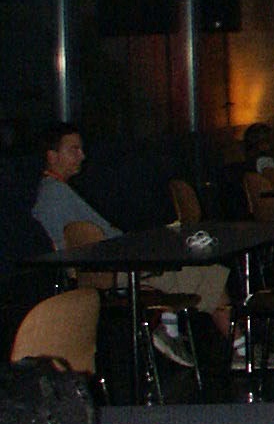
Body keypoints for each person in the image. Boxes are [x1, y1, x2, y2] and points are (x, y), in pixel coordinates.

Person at [32, 124, 236, 369]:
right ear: (52, 156)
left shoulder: (57, 191)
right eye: (73, 150)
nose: (82, 156)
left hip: (112, 266)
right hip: (113, 271)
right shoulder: (55, 196)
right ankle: (240, 349)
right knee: (208, 273)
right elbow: (85, 245)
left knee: (190, 269)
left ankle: (169, 327)